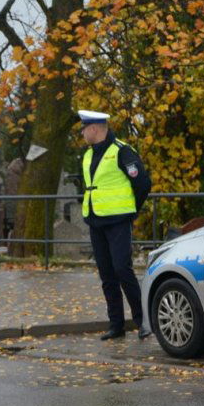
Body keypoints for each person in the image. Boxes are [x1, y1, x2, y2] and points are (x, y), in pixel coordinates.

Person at [78, 109, 153, 341]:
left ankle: (143, 321)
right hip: (96, 220)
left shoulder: (122, 151)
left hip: (118, 221)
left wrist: (131, 211)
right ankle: (116, 324)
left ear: (94, 128)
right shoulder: (88, 154)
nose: (82, 133)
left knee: (123, 269)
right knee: (107, 274)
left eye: (83, 129)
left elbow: (142, 183)